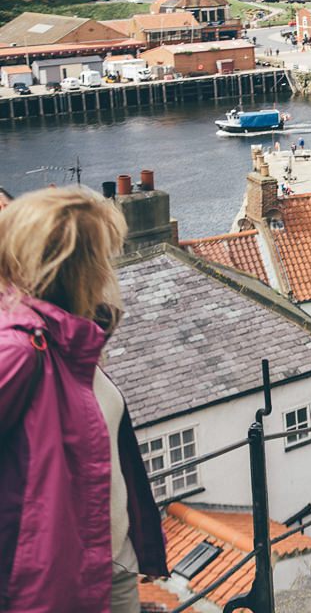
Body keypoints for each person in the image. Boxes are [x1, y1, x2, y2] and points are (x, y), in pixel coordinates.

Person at [0, 186, 168, 613]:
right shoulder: (18, 350)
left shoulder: (69, 341)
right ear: (73, 267)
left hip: (109, 563)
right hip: (56, 584)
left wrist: (138, 544)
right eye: (101, 255)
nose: (108, 269)